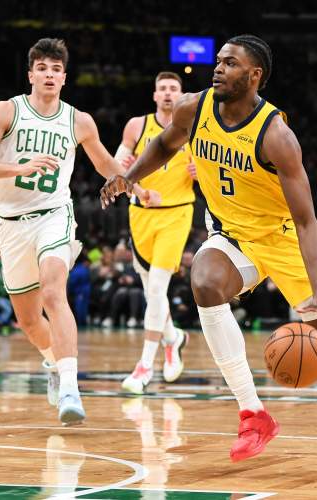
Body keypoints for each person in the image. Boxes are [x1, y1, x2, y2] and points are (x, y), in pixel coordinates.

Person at [101, 34, 317, 467]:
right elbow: (164, 144)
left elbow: (308, 222)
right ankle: (253, 414)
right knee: (204, 281)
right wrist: (129, 177)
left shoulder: (276, 136)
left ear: (254, 75)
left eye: (230, 63)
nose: (218, 68)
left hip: (284, 238)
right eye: (218, 61)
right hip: (234, 236)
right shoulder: (193, 108)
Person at [0, 38, 138, 425]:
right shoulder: (7, 110)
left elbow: (105, 163)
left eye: (56, 69)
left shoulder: (79, 120)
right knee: (28, 321)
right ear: (31, 75)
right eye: (42, 68)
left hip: (54, 215)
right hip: (11, 225)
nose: (49, 75)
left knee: (54, 291)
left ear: (64, 78)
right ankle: (54, 364)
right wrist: (19, 168)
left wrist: (135, 185)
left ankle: (71, 388)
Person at [115, 71, 194, 393]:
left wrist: (202, 172)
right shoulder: (137, 126)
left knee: (158, 288)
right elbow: (117, 166)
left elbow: (215, 172)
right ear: (154, 95)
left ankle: (145, 366)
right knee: (152, 293)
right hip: (141, 214)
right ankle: (173, 338)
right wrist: (129, 175)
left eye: (173, 88)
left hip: (177, 213)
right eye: (162, 88)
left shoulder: (194, 129)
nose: (168, 93)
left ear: (182, 95)